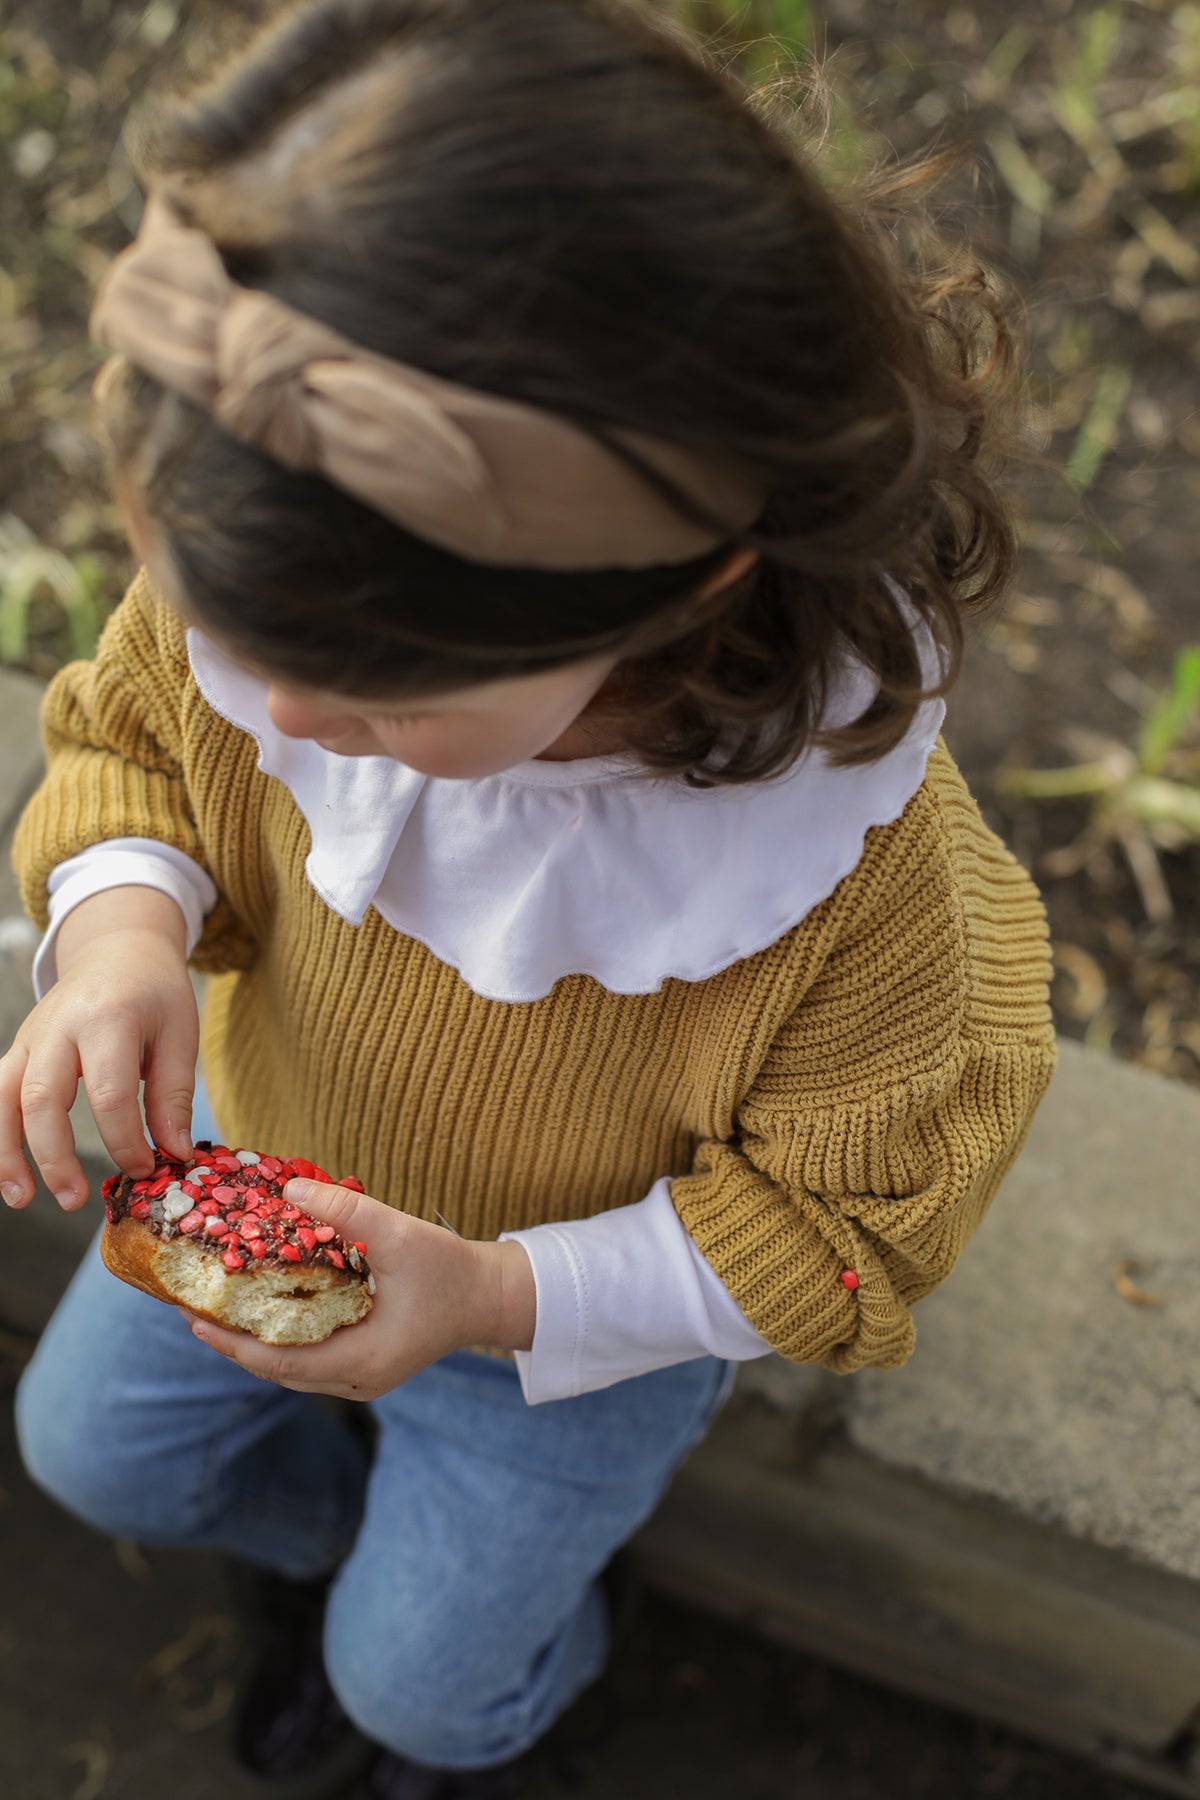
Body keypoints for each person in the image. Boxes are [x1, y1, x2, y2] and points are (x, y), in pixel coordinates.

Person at [3, 0, 1056, 1794]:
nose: (287, 721)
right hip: (272, 1180)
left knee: (420, 1686)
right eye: (242, 653)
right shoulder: (317, 592)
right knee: (93, 1455)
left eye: (371, 702)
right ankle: (338, 1571)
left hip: (567, 1330)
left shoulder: (851, 898)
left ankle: (479, 1695)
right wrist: (121, 924)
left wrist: (487, 1294)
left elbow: (844, 1226)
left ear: (684, 595)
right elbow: (140, 743)